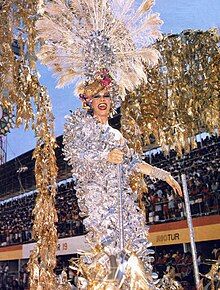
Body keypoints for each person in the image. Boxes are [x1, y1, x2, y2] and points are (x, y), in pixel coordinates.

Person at [63, 78, 182, 288]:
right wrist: (104, 155)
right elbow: (76, 154)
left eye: (106, 95)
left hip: (122, 203)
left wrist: (164, 175)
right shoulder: (81, 128)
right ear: (88, 101)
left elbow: (134, 162)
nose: (102, 100)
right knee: (111, 255)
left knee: (132, 253)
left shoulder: (116, 135)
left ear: (112, 101)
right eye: (97, 96)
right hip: (99, 204)